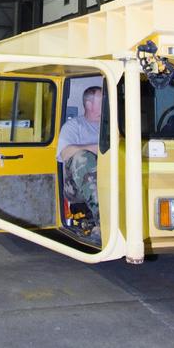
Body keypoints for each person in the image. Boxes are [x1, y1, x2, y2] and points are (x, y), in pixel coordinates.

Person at [56, 84, 102, 243]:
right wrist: (97, 149)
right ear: (89, 104)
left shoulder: (112, 127)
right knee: (82, 157)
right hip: (76, 187)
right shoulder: (74, 126)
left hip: (107, 178)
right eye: (102, 100)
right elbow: (64, 153)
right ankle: (103, 221)